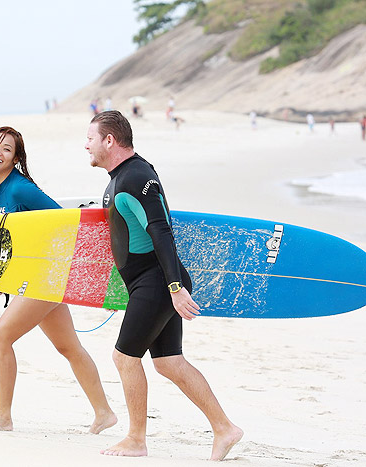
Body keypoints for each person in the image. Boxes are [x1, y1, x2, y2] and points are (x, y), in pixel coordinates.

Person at [84, 111, 243, 460]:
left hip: (156, 283)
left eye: (91, 138)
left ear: (109, 140)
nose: (87, 145)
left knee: (124, 357)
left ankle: (136, 439)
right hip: (149, 283)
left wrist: (174, 286)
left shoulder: (136, 176)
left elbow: (160, 229)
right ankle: (225, 429)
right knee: (169, 362)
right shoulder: (121, 177)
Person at [0, 126, 117, 434]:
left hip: (45, 278)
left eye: (6, 149)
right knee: (69, 347)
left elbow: (62, 220)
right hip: (33, 278)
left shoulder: (19, 188)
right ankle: (104, 413)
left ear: (16, 158)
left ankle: (3, 416)